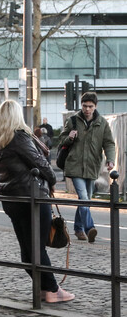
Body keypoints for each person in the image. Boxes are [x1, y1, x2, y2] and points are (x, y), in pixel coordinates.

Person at [0, 100, 75, 303]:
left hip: (12, 199)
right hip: (32, 198)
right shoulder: (19, 137)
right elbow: (39, 163)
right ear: (17, 117)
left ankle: (42, 289)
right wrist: (54, 179)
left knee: (27, 249)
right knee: (37, 248)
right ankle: (53, 290)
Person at [58, 92, 115, 243]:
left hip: (92, 166)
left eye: (90, 106)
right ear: (81, 105)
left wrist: (110, 160)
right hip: (75, 165)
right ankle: (90, 228)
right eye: (84, 106)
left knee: (85, 200)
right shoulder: (72, 121)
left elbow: (109, 142)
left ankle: (78, 228)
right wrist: (69, 138)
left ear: (95, 106)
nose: (87, 109)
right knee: (84, 198)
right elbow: (61, 140)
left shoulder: (102, 123)